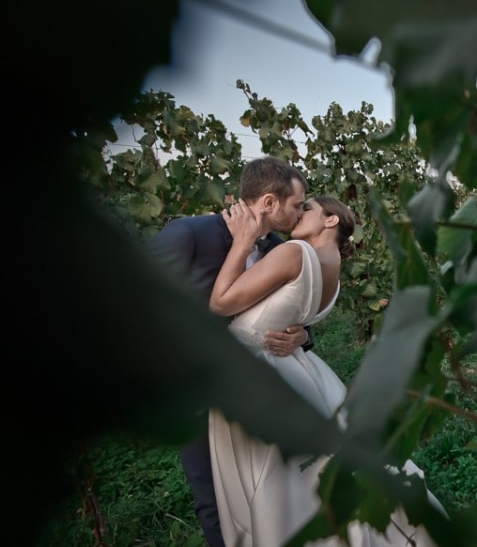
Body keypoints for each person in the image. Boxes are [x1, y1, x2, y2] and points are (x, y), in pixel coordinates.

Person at [208, 195, 443, 547]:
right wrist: (301, 333)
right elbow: (296, 310)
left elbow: (220, 303)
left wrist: (242, 241)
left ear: (331, 220)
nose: (298, 213)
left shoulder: (294, 253)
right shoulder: (331, 264)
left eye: (308, 209)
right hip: (296, 367)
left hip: (263, 368)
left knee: (282, 486)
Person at [145, 156, 314, 547]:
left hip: (258, 389)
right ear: (269, 202)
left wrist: (301, 335)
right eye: (296, 203)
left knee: (264, 490)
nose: (301, 211)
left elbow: (289, 315)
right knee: (213, 499)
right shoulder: (189, 233)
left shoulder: (279, 250)